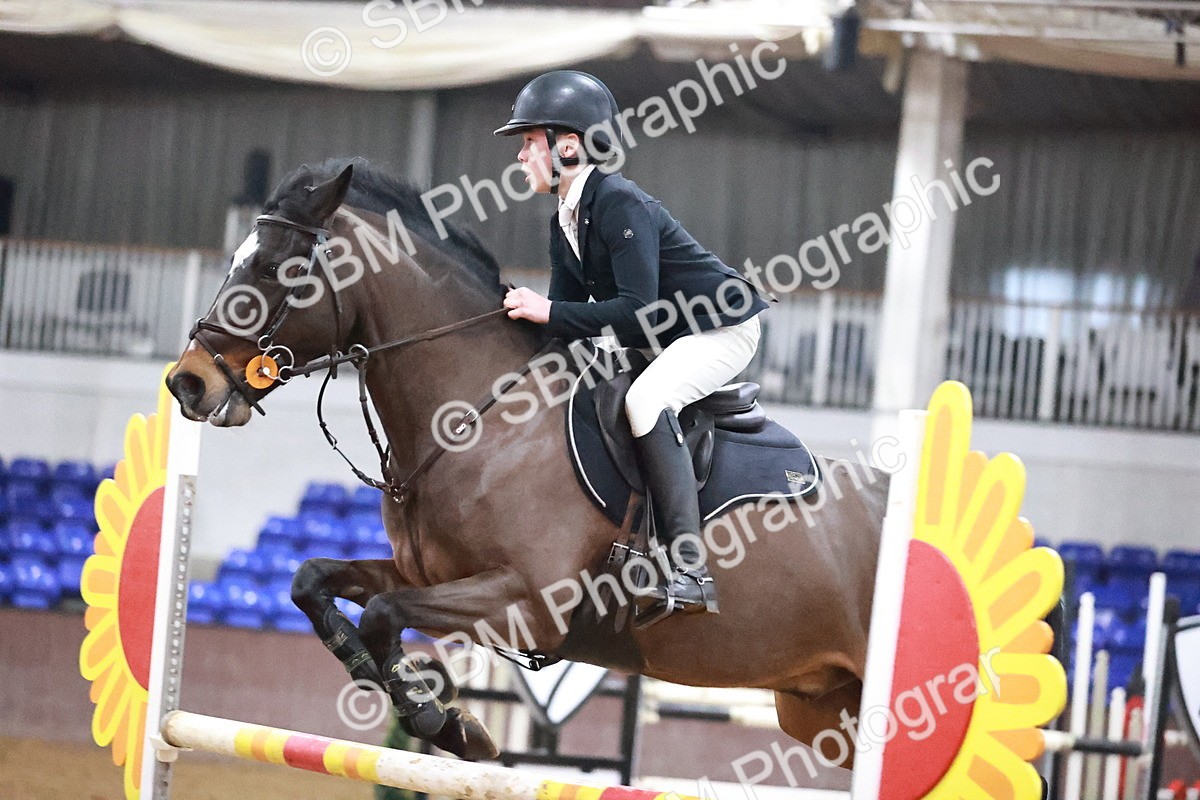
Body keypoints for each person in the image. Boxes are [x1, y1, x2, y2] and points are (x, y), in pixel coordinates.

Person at [496, 70, 768, 620]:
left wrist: (547, 310)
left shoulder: (619, 203)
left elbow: (637, 309)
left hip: (719, 327)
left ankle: (691, 570)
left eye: (529, 143)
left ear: (566, 146)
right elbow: (569, 322)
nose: (521, 157)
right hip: (663, 336)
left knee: (646, 403)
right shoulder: (565, 220)